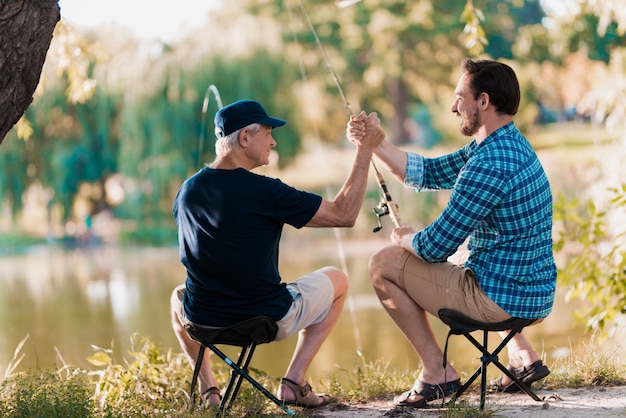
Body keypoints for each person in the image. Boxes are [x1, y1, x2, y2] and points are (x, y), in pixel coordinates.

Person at [347, 59, 556, 408]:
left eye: (461, 97)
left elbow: (433, 247)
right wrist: (375, 144)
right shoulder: (506, 145)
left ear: (484, 101)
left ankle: (437, 371)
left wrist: (403, 240)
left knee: (382, 263)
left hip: (500, 300)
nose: (453, 106)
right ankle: (523, 354)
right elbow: (427, 172)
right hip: (534, 293)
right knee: (468, 256)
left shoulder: (489, 164)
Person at [170, 99, 385, 408]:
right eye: (268, 133)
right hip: (264, 319)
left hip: (203, 320)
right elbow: (344, 214)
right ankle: (294, 381)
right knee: (338, 280)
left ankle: (210, 393)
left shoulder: (187, 191)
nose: (273, 141)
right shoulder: (266, 191)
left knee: (177, 297)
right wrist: (365, 150)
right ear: (245, 138)